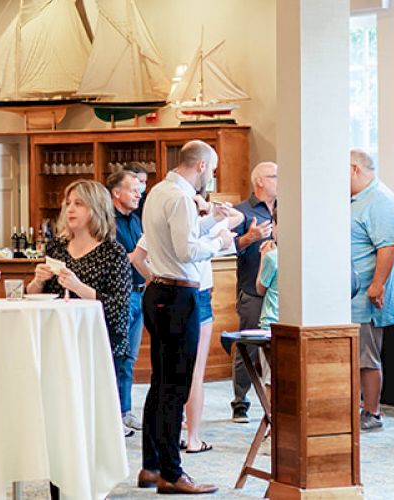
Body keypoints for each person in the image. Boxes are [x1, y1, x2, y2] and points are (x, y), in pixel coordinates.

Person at [131, 140, 234, 495]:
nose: (212, 176)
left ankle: (151, 465)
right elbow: (186, 249)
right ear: (202, 166)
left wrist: (210, 225)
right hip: (179, 295)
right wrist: (219, 242)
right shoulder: (180, 198)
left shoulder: (160, 191)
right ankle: (172, 474)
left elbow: (179, 237)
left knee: (161, 384)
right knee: (175, 385)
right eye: (213, 169)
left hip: (159, 291)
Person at [27, 180, 132, 365]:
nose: (70, 210)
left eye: (79, 204)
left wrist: (78, 287)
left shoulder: (114, 253)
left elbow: (118, 310)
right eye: (68, 204)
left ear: (97, 209)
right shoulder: (56, 248)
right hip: (58, 340)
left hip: (97, 343)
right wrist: (38, 282)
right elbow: (35, 297)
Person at [349, 148, 394, 431]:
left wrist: (377, 285)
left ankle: (372, 412)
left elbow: (387, 247)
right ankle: (356, 406)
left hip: (367, 296)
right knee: (353, 355)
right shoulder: (355, 199)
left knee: (366, 356)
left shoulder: (380, 200)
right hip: (349, 295)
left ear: (354, 169)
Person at [224, 162, 276, 424]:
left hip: (279, 292)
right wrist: (250, 238)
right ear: (260, 181)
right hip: (252, 291)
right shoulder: (240, 212)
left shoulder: (286, 208)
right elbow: (227, 247)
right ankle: (240, 402)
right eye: (275, 176)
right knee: (248, 348)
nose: (280, 180)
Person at [106, 167, 149, 434]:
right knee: (115, 355)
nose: (138, 195)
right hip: (119, 296)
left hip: (139, 291)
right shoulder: (106, 223)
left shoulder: (135, 220)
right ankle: (111, 414)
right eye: (133, 190)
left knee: (129, 358)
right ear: (116, 192)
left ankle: (126, 410)